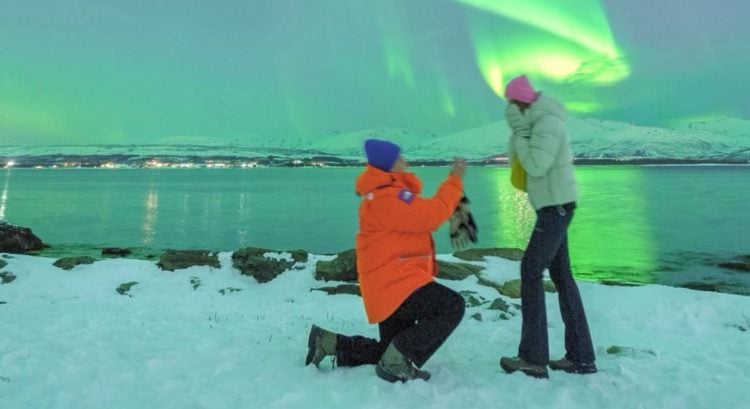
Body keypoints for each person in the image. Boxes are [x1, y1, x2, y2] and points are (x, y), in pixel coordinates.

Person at [305, 138, 467, 383]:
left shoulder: (384, 194)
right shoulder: (388, 198)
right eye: (399, 157)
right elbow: (432, 215)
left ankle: (329, 342)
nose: (405, 160)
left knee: (388, 349)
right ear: (389, 163)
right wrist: (454, 180)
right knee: (451, 306)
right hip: (397, 283)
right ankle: (395, 363)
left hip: (387, 284)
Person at [499, 75, 596, 379]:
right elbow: (522, 170)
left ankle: (533, 358)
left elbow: (536, 165)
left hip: (555, 209)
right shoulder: (537, 124)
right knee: (562, 277)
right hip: (553, 207)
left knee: (530, 270)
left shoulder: (547, 124)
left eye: (511, 103)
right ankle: (581, 357)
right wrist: (520, 133)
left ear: (520, 102)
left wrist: (519, 131)